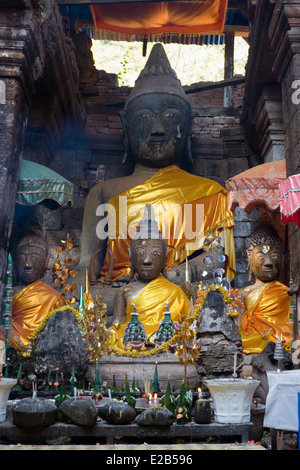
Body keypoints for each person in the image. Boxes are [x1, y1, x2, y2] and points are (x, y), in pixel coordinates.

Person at [79, 43, 235, 284]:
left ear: (189, 126)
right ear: (125, 127)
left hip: (177, 294)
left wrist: (168, 278)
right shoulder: (103, 193)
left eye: (172, 116)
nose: (158, 129)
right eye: (143, 117)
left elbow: (216, 260)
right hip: (117, 294)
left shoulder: (209, 193)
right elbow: (86, 264)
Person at [111, 204, 190, 349]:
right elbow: (116, 326)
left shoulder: (175, 293)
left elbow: (188, 327)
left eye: (155, 252)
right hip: (132, 344)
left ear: (165, 258)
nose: (147, 260)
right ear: (131, 258)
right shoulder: (124, 292)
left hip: (166, 347)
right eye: (140, 253)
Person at [9, 229, 64, 354]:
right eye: (22, 257)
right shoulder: (6, 292)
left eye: (35, 257)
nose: (27, 264)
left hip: (40, 353)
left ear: (46, 261)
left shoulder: (52, 297)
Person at [239, 224, 291, 354]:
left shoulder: (286, 293)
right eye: (261, 256)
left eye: (274, 255)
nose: (268, 262)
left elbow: (291, 330)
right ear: (249, 256)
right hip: (252, 339)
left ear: (282, 256)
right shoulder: (242, 293)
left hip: (277, 342)